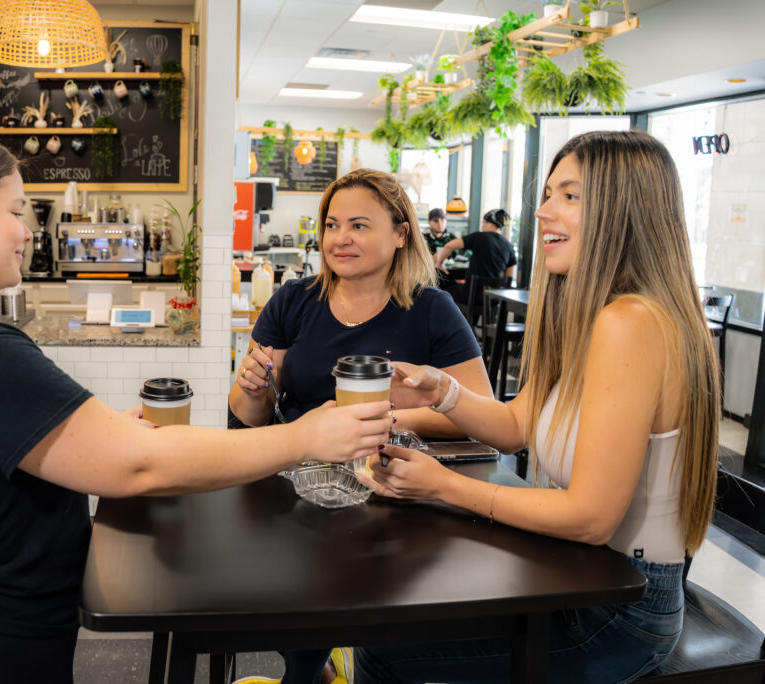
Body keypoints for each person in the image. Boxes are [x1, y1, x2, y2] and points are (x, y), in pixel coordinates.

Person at [0, 129, 393, 684]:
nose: (26, 230)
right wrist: (305, 436)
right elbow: (138, 466)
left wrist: (92, 433)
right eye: (15, 211)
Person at [355, 130, 721, 683]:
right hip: (577, 576)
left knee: (384, 653)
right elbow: (514, 426)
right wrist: (442, 391)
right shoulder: (590, 316)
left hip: (621, 609)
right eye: (548, 194)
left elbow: (590, 518)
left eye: (569, 196)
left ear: (623, 212)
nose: (543, 210)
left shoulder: (632, 323)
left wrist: (442, 485)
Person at [227, 168, 493, 684]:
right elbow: (246, 418)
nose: (340, 239)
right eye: (332, 225)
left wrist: (378, 419)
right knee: (290, 602)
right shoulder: (293, 301)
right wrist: (253, 388)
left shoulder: (431, 310)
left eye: (359, 225)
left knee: (375, 615)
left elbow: (482, 414)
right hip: (301, 491)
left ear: (400, 234)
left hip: (396, 494)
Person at [436, 208, 517, 306]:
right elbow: (509, 277)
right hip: (494, 299)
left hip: (472, 296)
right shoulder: (509, 245)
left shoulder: (479, 237)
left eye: (483, 222)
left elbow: (449, 246)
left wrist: (439, 264)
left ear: (490, 223)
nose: (482, 225)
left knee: (443, 288)